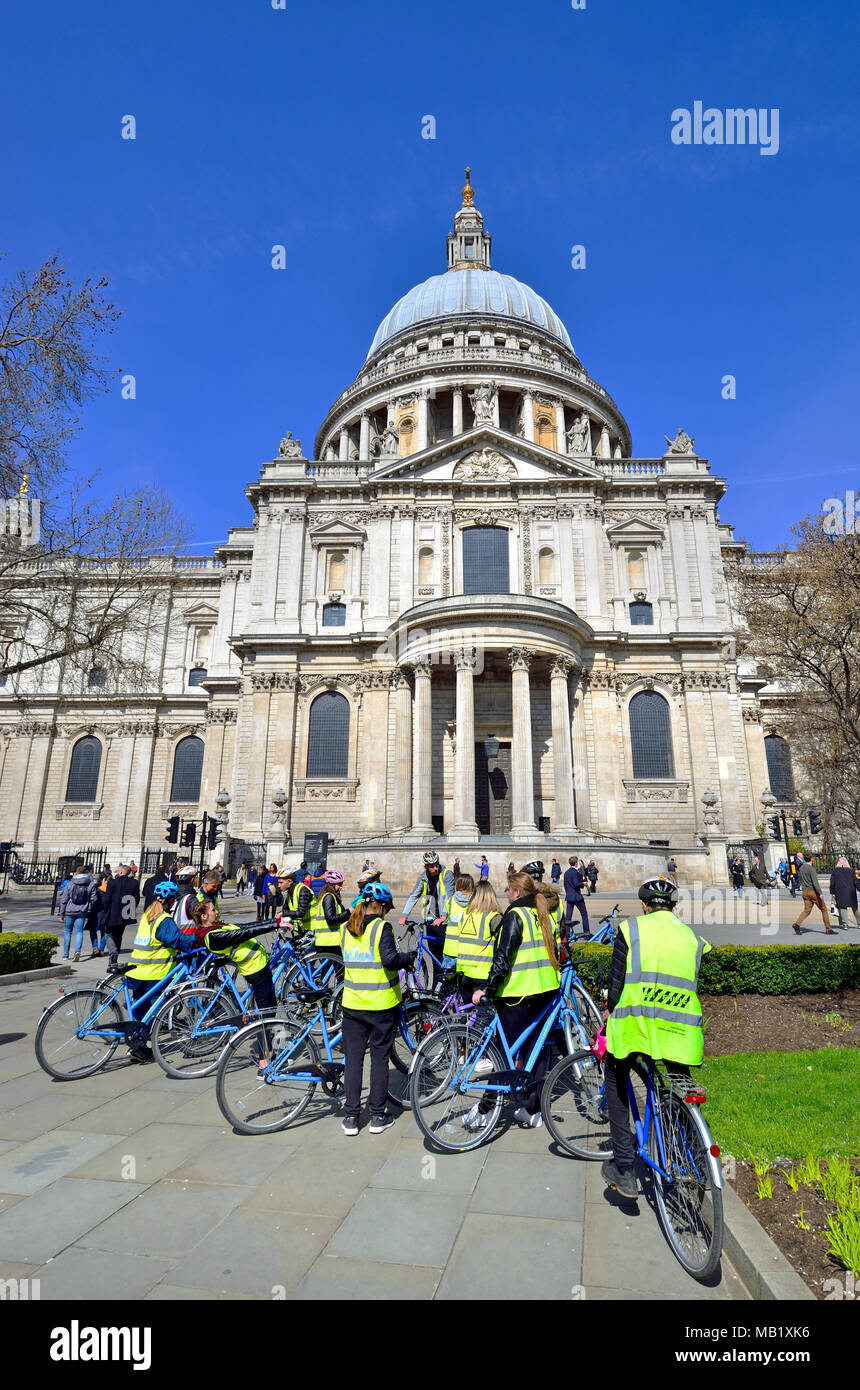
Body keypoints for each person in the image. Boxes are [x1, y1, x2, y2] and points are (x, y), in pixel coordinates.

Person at [600, 876, 712, 1198]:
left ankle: (624, 1167)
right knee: (680, 1085)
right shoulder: (691, 937)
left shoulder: (631, 930)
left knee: (616, 1078)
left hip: (637, 1028)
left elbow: (617, 983)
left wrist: (608, 1011)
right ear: (672, 907)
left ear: (645, 906)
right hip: (679, 1032)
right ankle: (695, 1157)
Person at [465, 870, 562, 1130]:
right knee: (537, 1052)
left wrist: (488, 988)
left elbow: (503, 957)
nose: (505, 894)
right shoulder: (544, 914)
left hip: (518, 995)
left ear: (517, 892)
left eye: (507, 890)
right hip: (546, 992)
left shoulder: (515, 914)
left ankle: (487, 1108)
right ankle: (531, 1109)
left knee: (501, 1052)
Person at [340, 881, 416, 1136]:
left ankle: (351, 1116)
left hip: (352, 1003)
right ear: (381, 906)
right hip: (381, 1004)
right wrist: (409, 958)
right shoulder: (381, 927)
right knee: (380, 1059)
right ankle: (377, 1115)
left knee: (353, 1060)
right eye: (387, 908)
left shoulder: (347, 927)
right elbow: (390, 959)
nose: (387, 913)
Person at [125, 882, 191, 1061]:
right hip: (155, 973)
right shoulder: (164, 920)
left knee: (140, 1009)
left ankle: (135, 1043)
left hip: (137, 970)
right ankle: (138, 1046)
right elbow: (178, 940)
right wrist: (197, 939)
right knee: (156, 1011)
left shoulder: (148, 914)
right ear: (170, 900)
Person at [188, 898, 277, 1010]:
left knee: (271, 1006)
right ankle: (257, 1027)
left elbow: (247, 927)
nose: (217, 912)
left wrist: (275, 921)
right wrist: (276, 924)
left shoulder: (217, 926)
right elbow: (245, 933)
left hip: (258, 964)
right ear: (204, 917)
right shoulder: (212, 936)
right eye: (213, 910)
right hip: (255, 968)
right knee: (267, 1012)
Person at [399, 851, 455, 980]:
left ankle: (449, 987)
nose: (435, 868)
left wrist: (443, 917)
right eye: (431, 866)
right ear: (426, 867)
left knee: (444, 958)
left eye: (436, 864)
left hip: (444, 922)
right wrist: (404, 915)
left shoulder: (446, 875)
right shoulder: (423, 877)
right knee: (434, 958)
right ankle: (436, 989)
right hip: (430, 922)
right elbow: (414, 895)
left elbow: (449, 897)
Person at [102, 864, 141, 967]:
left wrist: (106, 911)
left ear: (120, 872)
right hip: (126, 913)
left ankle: (113, 952)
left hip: (113, 912)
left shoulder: (113, 883)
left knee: (109, 934)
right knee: (119, 936)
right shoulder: (134, 883)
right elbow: (136, 899)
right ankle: (113, 960)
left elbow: (106, 900)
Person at [58, 864, 98, 962]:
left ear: (76, 873)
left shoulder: (70, 883)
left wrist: (61, 913)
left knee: (68, 932)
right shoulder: (90, 884)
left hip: (70, 910)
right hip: (82, 911)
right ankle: (77, 951)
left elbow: (64, 899)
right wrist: (89, 908)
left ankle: (65, 955)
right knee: (79, 931)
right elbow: (94, 899)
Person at [309, 870, 351, 955]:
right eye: (339, 884)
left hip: (329, 940)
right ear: (332, 884)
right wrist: (348, 912)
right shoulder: (329, 897)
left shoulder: (332, 897)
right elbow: (330, 919)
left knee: (332, 967)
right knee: (338, 966)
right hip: (328, 941)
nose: (341, 887)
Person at [792, 854, 834, 935]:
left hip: (805, 892)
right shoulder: (811, 869)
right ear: (811, 859)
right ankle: (828, 929)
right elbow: (815, 882)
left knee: (807, 910)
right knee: (823, 909)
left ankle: (797, 924)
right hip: (812, 891)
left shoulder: (801, 868)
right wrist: (820, 893)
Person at [279, 865, 314, 935]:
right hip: (303, 929)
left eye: (281, 882)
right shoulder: (290, 892)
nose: (278, 885)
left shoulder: (302, 890)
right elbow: (285, 909)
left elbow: (301, 913)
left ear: (289, 881)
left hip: (314, 929)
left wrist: (282, 914)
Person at [563, 856, 590, 936]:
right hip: (577, 896)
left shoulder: (566, 872)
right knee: (584, 914)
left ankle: (567, 934)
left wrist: (568, 893)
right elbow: (576, 884)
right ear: (575, 863)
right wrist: (583, 884)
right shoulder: (575, 872)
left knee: (568, 916)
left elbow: (565, 885)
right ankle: (586, 933)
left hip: (569, 896)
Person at [829, 857, 859, 929]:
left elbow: (832, 882)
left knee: (842, 907)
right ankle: (859, 923)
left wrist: (832, 891)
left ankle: (845, 924)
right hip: (851, 891)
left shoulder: (835, 871)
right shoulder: (851, 870)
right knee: (855, 908)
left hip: (840, 891)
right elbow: (856, 881)